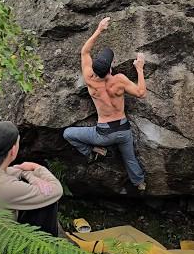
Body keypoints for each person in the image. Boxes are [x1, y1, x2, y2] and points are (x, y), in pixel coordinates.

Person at [63, 16, 147, 192]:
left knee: (68, 133)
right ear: (110, 69)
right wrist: (139, 68)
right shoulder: (120, 80)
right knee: (129, 158)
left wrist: (99, 29)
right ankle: (139, 183)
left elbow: (84, 52)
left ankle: (94, 150)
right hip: (124, 130)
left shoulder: (90, 80)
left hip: (103, 135)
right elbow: (141, 93)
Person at [0, 121, 63, 236]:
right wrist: (37, 167)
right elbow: (56, 190)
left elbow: (11, 170)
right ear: (13, 150)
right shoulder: (6, 187)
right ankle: (46, 249)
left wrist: (31, 177)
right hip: (4, 242)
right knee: (48, 203)